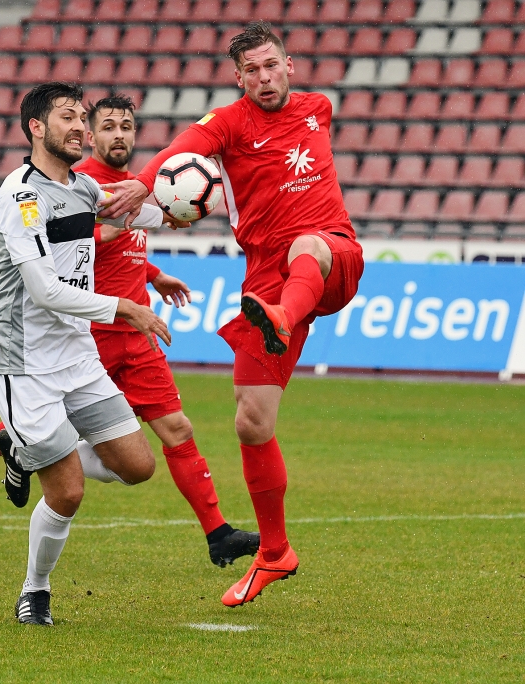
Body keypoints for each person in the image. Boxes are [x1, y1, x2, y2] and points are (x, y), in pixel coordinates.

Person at [0, 95, 260, 570]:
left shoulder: (91, 189)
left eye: (120, 125)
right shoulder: (37, 192)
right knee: (66, 475)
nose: (102, 131)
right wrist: (125, 295)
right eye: (88, 122)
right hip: (68, 334)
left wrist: (178, 214)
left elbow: (143, 221)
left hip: (109, 335)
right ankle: (30, 568)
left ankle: (216, 531)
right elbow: (62, 267)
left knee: (153, 450)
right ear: (38, 128)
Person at [98, 22, 365, 607]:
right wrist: (146, 184)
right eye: (252, 71)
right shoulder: (227, 122)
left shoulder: (318, 108)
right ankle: (275, 554)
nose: (264, 78)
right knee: (251, 421)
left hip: (331, 253)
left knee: (308, 248)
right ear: (237, 76)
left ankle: (285, 317)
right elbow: (182, 152)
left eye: (272, 66)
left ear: (289, 64)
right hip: (264, 278)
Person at [0, 81, 171, 625]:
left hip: (75, 355)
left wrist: (188, 198)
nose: (82, 126)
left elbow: (152, 213)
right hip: (23, 360)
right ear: (37, 128)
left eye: (84, 117)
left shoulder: (83, 189)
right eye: (69, 117)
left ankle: (24, 451)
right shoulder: (21, 196)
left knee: (138, 467)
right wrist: (125, 308)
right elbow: (45, 291)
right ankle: (35, 590)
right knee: (69, 491)